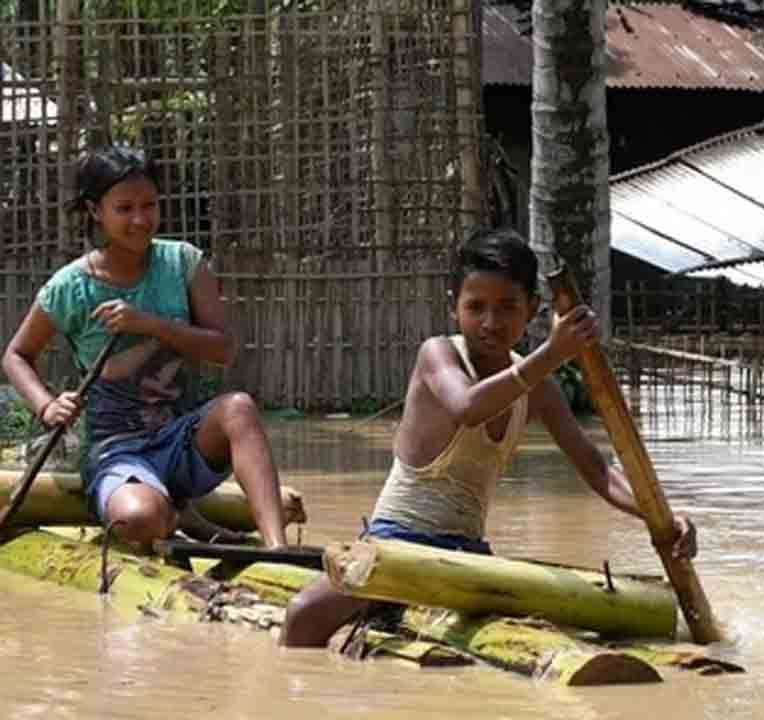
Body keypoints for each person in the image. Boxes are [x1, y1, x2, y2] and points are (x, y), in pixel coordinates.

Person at [279, 227, 697, 647]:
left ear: (532, 309)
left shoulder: (540, 389)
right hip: (397, 542)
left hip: (468, 555)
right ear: (454, 307)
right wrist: (552, 353)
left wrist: (662, 518)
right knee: (301, 614)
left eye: (507, 307)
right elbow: (468, 406)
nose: (491, 323)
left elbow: (597, 470)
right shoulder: (438, 354)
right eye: (475, 307)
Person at [1, 144, 288, 548]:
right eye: (124, 209)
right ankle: (174, 515)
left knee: (238, 408)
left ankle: (277, 546)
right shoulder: (71, 286)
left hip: (183, 440)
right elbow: (16, 355)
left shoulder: (182, 263)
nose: (140, 219)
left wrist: (150, 325)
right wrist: (47, 405)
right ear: (95, 210)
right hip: (116, 452)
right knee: (138, 518)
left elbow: (223, 349)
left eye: (149, 205)